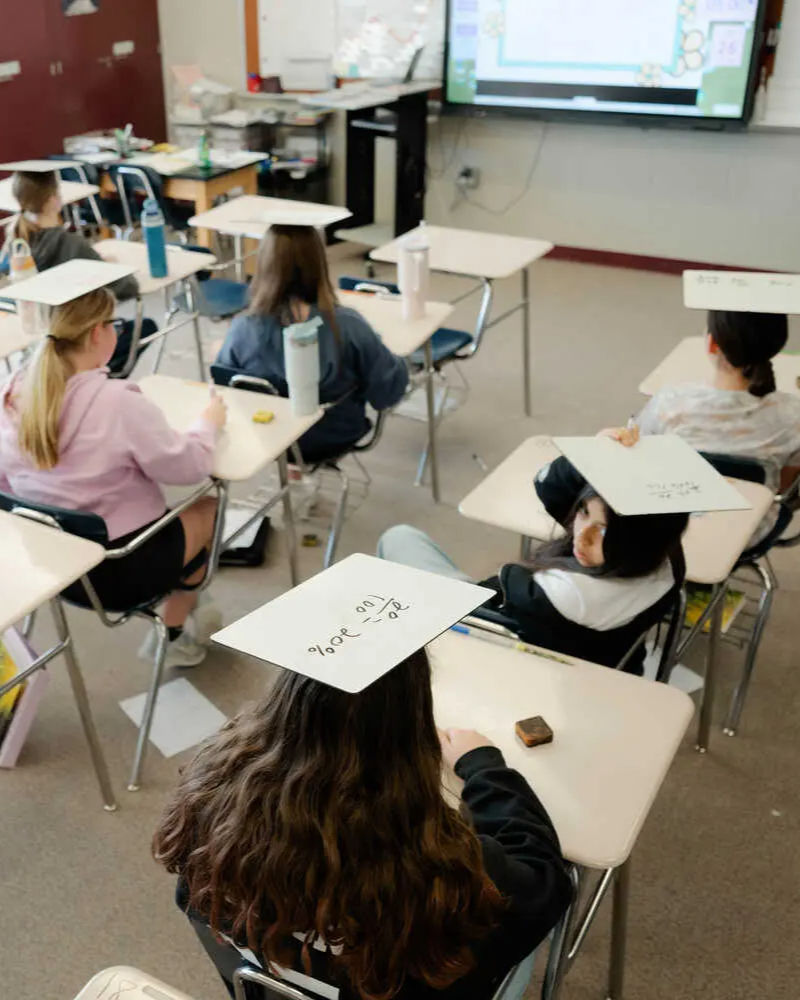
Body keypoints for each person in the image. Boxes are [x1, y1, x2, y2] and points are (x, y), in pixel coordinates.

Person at [152, 647, 573, 1000]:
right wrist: (482, 765)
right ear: (414, 728)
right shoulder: (438, 865)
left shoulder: (209, 799)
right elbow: (545, 880)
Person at [0, 288, 226, 668]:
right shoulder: (118, 402)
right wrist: (209, 424)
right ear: (96, 334)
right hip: (121, 571)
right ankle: (173, 631)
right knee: (209, 506)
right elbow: (188, 468)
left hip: (56, 567)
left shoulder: (11, 394)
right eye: (114, 324)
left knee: (173, 521)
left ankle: (185, 601)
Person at [378, 456, 688, 673]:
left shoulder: (556, 597)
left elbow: (475, 607)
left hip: (500, 646)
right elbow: (552, 487)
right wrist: (596, 455)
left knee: (399, 537)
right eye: (583, 512)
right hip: (606, 663)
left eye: (604, 530)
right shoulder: (666, 563)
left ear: (633, 539)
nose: (583, 537)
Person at [215, 223, 408, 462]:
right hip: (334, 434)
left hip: (269, 434)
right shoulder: (348, 326)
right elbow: (386, 393)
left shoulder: (242, 328)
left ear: (264, 264)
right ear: (319, 263)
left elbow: (224, 391)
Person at [2, 169, 157, 376]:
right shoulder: (71, 244)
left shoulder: (14, 243)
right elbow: (127, 288)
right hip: (76, 344)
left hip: (38, 341)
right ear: (54, 200)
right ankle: (97, 379)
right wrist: (107, 268)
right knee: (146, 326)